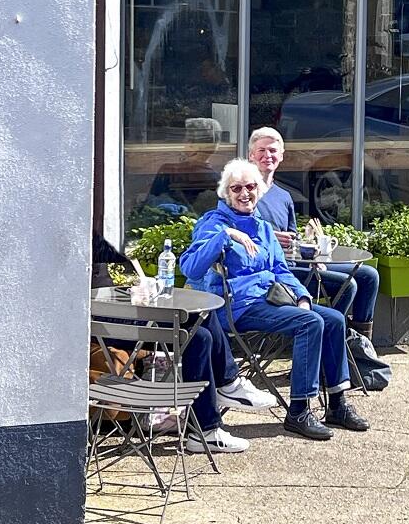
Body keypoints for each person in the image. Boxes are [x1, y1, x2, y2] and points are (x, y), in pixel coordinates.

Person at [180, 158, 369, 440]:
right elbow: (190, 267)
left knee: (333, 318)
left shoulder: (264, 228)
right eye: (236, 188)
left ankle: (337, 403)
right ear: (226, 193)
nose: (245, 193)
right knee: (310, 323)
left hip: (269, 300)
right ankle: (299, 411)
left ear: (260, 189)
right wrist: (226, 235)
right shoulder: (213, 223)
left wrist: (302, 296)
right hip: (235, 307)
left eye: (251, 186)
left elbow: (281, 270)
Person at [89, 230, 273, 454]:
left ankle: (217, 406)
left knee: (202, 330)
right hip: (94, 321)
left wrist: (133, 267)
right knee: (198, 330)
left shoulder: (88, 234)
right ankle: (212, 416)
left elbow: (110, 250)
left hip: (109, 308)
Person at [248, 126, 380, 341]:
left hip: (295, 264)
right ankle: (329, 344)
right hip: (274, 273)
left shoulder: (284, 196)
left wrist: (312, 254)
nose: (267, 156)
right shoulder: (243, 191)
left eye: (273, 151)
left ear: (281, 156)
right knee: (346, 285)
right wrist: (269, 238)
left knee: (369, 275)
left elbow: (292, 244)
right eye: (261, 150)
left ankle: (357, 346)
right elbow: (233, 232)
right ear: (251, 155)